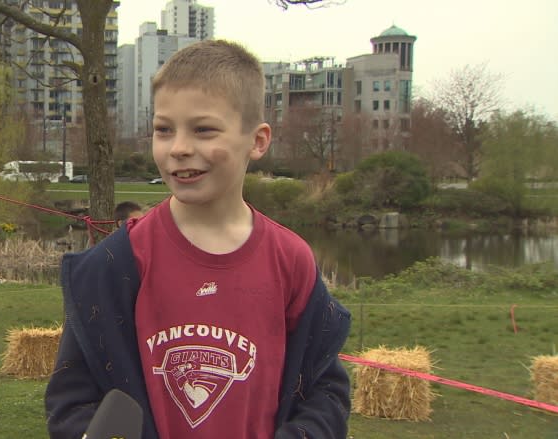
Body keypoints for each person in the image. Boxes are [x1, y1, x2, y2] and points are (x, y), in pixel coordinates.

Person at [45, 39, 351, 439]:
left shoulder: (291, 260)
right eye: (163, 130)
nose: (180, 148)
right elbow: (72, 403)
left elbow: (325, 391)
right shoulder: (115, 263)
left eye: (204, 130)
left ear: (257, 141)